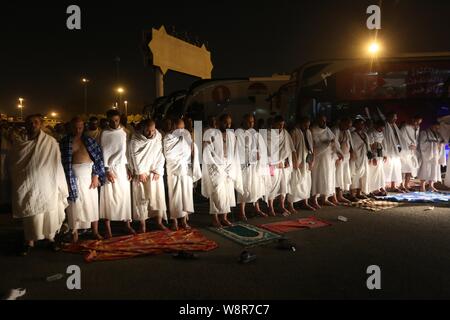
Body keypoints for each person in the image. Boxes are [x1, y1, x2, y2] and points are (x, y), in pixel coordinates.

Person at [10, 114, 68, 255]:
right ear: (26, 124)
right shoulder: (20, 143)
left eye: (36, 122)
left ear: (41, 124)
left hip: (47, 183)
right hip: (28, 184)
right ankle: (29, 241)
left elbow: (56, 164)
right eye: (30, 122)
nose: (33, 125)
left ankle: (51, 239)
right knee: (31, 213)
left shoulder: (51, 142)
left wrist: (60, 182)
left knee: (49, 213)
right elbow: (14, 164)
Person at [60, 117, 106, 243]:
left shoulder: (90, 141)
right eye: (75, 127)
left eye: (80, 127)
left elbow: (98, 158)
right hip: (72, 176)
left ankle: (95, 231)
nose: (78, 130)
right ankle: (75, 233)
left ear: (83, 127)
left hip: (89, 176)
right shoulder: (64, 142)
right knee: (74, 206)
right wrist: (65, 181)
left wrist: (96, 175)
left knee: (92, 205)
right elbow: (61, 164)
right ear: (70, 127)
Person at [202, 114, 243, 228]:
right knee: (216, 193)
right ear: (219, 122)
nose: (228, 125)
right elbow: (207, 150)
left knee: (228, 193)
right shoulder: (212, 134)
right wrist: (215, 166)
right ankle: (215, 219)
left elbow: (235, 152)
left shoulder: (231, 135)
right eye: (225, 122)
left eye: (229, 123)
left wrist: (232, 166)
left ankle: (224, 218)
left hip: (228, 166)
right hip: (216, 166)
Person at [100, 109, 135, 238]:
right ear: (107, 120)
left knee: (124, 196)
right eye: (111, 121)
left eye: (116, 120)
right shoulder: (104, 133)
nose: (114, 123)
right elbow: (103, 153)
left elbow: (127, 152)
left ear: (119, 119)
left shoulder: (125, 132)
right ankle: (107, 228)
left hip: (122, 167)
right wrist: (107, 170)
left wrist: (129, 168)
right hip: (109, 168)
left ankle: (127, 224)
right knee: (108, 198)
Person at [129, 119, 168, 233]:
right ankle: (142, 224)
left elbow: (160, 154)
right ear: (143, 129)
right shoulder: (135, 139)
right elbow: (134, 156)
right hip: (142, 173)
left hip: (154, 172)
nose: (151, 133)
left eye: (153, 130)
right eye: (148, 131)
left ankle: (159, 222)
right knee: (142, 198)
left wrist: (158, 170)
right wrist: (140, 172)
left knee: (158, 198)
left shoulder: (158, 136)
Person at [164, 119, 201, 230]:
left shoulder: (186, 133)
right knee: (175, 196)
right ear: (174, 126)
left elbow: (190, 149)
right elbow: (169, 153)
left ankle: (184, 220)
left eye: (183, 128)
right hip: (174, 169)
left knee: (186, 195)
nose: (182, 130)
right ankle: (174, 220)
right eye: (179, 128)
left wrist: (193, 149)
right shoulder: (168, 137)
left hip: (186, 168)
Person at [235, 114, 269, 220]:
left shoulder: (254, 133)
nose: (251, 124)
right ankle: (242, 212)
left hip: (254, 166)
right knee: (243, 188)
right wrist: (253, 155)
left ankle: (257, 209)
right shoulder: (238, 132)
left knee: (256, 187)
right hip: (243, 166)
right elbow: (238, 150)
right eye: (249, 121)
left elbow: (261, 148)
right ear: (243, 120)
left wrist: (259, 154)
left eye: (253, 122)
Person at [266, 115, 295, 216]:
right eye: (279, 125)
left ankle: (282, 206)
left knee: (284, 185)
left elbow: (289, 148)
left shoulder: (285, 133)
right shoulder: (266, 134)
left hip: (283, 164)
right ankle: (271, 207)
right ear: (273, 124)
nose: (281, 127)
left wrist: (287, 160)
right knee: (272, 186)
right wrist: (274, 163)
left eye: (282, 125)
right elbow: (265, 152)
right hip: (272, 165)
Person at [310, 115, 343, 207]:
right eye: (322, 121)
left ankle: (325, 198)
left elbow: (334, 141)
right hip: (319, 159)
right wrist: (327, 143)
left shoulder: (327, 129)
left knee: (328, 178)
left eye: (325, 121)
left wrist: (339, 152)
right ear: (317, 121)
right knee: (318, 178)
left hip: (329, 158)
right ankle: (314, 199)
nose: (324, 123)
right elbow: (313, 145)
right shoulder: (313, 130)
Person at [288, 116, 315, 212]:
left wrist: (312, 160)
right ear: (300, 123)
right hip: (298, 160)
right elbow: (292, 148)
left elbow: (311, 147)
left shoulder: (308, 132)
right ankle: (291, 204)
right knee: (295, 182)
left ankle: (305, 202)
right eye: (305, 125)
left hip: (307, 160)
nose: (307, 127)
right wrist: (295, 161)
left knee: (307, 182)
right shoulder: (294, 132)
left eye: (308, 125)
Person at [417, 121, 446, 192]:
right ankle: (422, 186)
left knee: (434, 170)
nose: (437, 129)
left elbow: (441, 141)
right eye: (436, 127)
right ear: (431, 126)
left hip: (435, 154)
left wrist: (441, 143)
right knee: (425, 170)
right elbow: (422, 143)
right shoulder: (424, 133)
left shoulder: (438, 134)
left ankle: (431, 186)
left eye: (438, 128)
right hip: (427, 154)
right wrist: (434, 143)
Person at [383, 112, 407, 192]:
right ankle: (383, 186)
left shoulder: (394, 126)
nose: (395, 119)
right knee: (387, 168)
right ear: (389, 117)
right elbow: (384, 139)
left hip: (395, 151)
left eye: (396, 118)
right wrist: (385, 153)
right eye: (394, 117)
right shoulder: (385, 126)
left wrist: (399, 146)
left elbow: (398, 138)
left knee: (395, 168)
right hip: (388, 151)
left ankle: (393, 186)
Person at [332, 117, 353, 204]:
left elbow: (350, 142)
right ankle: (335, 197)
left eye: (349, 126)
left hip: (346, 157)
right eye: (347, 125)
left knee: (343, 176)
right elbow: (334, 144)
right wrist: (338, 154)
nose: (348, 127)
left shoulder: (347, 131)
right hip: (337, 158)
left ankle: (341, 195)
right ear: (342, 123)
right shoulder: (335, 130)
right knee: (337, 177)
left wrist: (352, 151)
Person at [349, 118, 370, 201]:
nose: (362, 126)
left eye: (362, 124)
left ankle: (359, 193)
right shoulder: (352, 134)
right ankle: (352, 194)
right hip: (356, 157)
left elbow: (368, 146)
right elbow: (351, 145)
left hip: (364, 157)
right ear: (356, 125)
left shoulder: (365, 134)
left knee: (363, 174)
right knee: (354, 175)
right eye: (360, 124)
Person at [400, 115, 422, 191]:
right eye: (416, 122)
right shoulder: (405, 127)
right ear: (412, 120)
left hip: (412, 151)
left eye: (419, 123)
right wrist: (410, 144)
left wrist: (415, 145)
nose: (417, 124)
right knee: (403, 168)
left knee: (410, 168)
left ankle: (407, 184)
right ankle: (401, 185)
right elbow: (402, 136)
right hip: (405, 150)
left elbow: (416, 138)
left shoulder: (417, 128)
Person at [367, 120, 388, 196]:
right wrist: (373, 157)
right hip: (373, 154)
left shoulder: (381, 133)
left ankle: (380, 186)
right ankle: (374, 189)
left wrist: (385, 154)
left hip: (380, 153)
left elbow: (382, 144)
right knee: (374, 172)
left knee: (380, 172)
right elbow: (370, 145)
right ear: (376, 126)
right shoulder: (371, 133)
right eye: (380, 127)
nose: (381, 129)